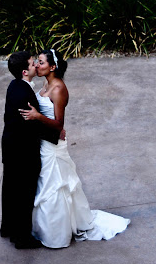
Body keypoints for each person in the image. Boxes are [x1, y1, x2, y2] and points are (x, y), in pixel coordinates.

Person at [19, 48, 130, 248]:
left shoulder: (59, 88)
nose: (37, 65)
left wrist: (37, 116)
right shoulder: (46, 83)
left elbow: (58, 124)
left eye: (41, 62)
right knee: (45, 186)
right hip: (44, 141)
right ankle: (44, 229)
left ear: (52, 67)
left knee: (54, 187)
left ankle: (56, 235)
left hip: (53, 146)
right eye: (37, 61)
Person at [0, 51, 63, 249]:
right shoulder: (23, 94)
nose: (36, 64)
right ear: (25, 71)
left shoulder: (15, 85)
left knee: (10, 190)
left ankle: (8, 228)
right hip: (22, 152)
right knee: (24, 194)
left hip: (11, 147)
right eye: (32, 62)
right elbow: (30, 125)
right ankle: (22, 238)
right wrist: (56, 133)